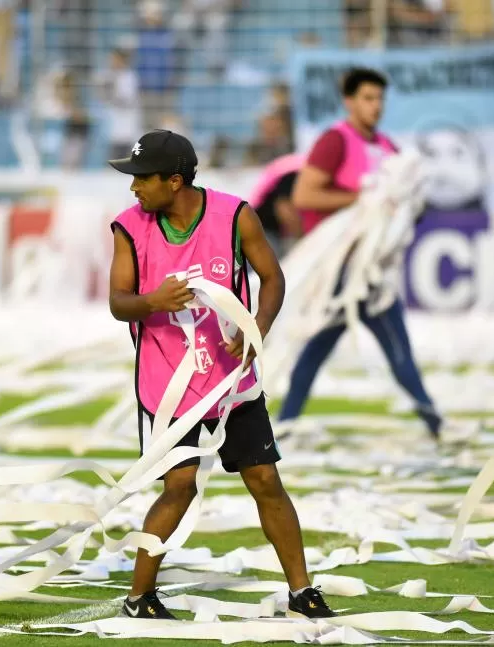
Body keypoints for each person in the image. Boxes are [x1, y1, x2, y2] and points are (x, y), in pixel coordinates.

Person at [107, 129, 336, 621]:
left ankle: (302, 592)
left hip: (232, 381)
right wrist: (153, 302)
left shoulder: (235, 215)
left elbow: (272, 276)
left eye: (142, 178)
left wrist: (259, 328)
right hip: (166, 382)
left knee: (265, 478)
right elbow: (118, 302)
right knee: (179, 486)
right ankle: (139, 598)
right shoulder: (129, 227)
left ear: (174, 180)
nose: (134, 188)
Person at [280, 67, 443, 440]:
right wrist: (363, 200)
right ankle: (435, 420)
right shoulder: (335, 141)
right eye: (368, 98)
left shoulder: (390, 149)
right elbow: (304, 196)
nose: (376, 106)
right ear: (349, 101)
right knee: (389, 342)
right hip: (344, 268)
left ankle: (285, 423)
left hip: (371, 268)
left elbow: (401, 203)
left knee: (324, 346)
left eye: (381, 99)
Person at [247, 152, 306, 257]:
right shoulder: (294, 175)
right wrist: (304, 238)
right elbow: (284, 209)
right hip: (264, 230)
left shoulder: (295, 172)